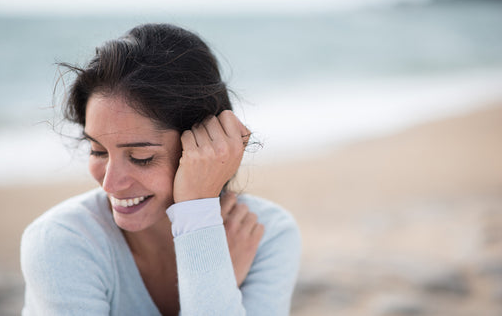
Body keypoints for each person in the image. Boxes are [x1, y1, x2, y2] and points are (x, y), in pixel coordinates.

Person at [20, 23, 301, 315]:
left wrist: (197, 211)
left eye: (141, 157)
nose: (110, 184)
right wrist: (218, 276)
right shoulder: (63, 242)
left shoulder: (264, 233)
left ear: (204, 146)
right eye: (98, 151)